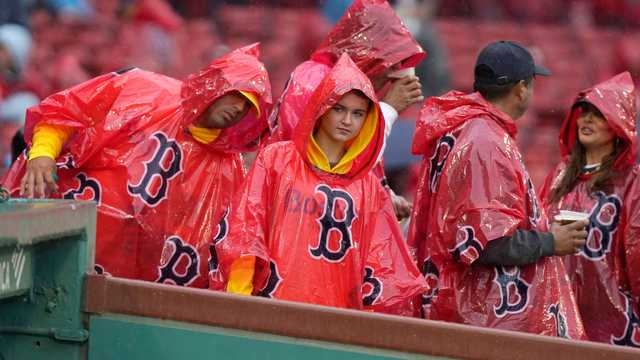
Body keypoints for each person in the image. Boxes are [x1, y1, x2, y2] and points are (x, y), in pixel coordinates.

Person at [1, 44, 271, 289]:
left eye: (248, 106)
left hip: (126, 298)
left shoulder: (230, 168)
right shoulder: (141, 89)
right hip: (58, 251)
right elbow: (68, 112)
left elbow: (234, 243)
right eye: (236, 95)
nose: (238, 108)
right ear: (215, 83)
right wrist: (42, 155)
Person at [217, 54, 426, 315]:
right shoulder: (277, 159)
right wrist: (238, 300)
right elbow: (246, 230)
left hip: (336, 320)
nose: (347, 121)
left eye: (358, 113)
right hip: (270, 309)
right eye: (339, 109)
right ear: (321, 108)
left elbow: (378, 265)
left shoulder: (368, 186)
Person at [407, 41, 588, 337]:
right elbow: (486, 243)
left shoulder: (466, 126)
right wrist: (550, 242)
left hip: (459, 302)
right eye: (530, 85)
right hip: (481, 312)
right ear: (520, 89)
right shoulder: (484, 140)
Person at [268, 0, 425, 220]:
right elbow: (329, 166)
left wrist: (382, 193)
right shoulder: (314, 80)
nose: (393, 75)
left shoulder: (353, 91)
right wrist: (388, 110)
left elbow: (357, 170)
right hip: (294, 212)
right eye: (389, 63)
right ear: (368, 55)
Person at [540, 72, 640, 346]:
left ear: (619, 124)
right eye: (583, 113)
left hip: (614, 320)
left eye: (597, 114)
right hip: (557, 313)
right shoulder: (560, 175)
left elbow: (636, 252)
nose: (586, 119)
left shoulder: (633, 181)